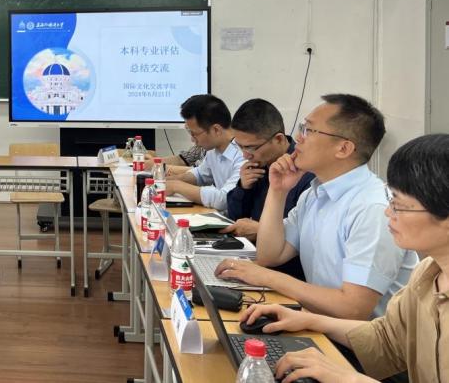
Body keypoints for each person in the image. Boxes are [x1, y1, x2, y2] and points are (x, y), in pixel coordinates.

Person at [240, 133, 449, 383]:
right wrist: (308, 320)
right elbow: (387, 337)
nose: (387, 212)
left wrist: (349, 378)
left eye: (399, 205)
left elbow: (356, 311)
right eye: (391, 199)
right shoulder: (428, 273)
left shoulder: (368, 207)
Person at [215, 94, 417, 319]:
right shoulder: (315, 194)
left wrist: (267, 277)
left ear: (343, 148)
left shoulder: (373, 208)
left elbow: (353, 309)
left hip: (353, 339)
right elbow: (270, 255)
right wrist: (278, 191)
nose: (298, 138)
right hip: (317, 323)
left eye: (308, 130)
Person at [222, 99, 310, 280]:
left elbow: (306, 240)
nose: (245, 155)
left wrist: (260, 230)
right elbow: (235, 216)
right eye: (239, 146)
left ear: (278, 139)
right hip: (255, 257)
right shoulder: (258, 166)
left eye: (250, 147)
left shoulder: (305, 174)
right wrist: (243, 188)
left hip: (287, 273)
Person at [165, 94, 245, 212]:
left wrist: (176, 186)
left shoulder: (243, 154)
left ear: (216, 130)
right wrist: (170, 180)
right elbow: (200, 174)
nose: (192, 140)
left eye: (194, 134)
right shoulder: (213, 150)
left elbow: (225, 199)